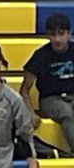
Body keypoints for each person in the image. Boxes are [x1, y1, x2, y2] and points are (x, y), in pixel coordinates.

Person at [20, 12, 74, 152]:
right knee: (66, 113)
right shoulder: (40, 56)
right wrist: (30, 113)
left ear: (69, 34)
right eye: (53, 35)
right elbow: (24, 89)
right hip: (50, 99)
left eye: (61, 34)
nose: (57, 39)